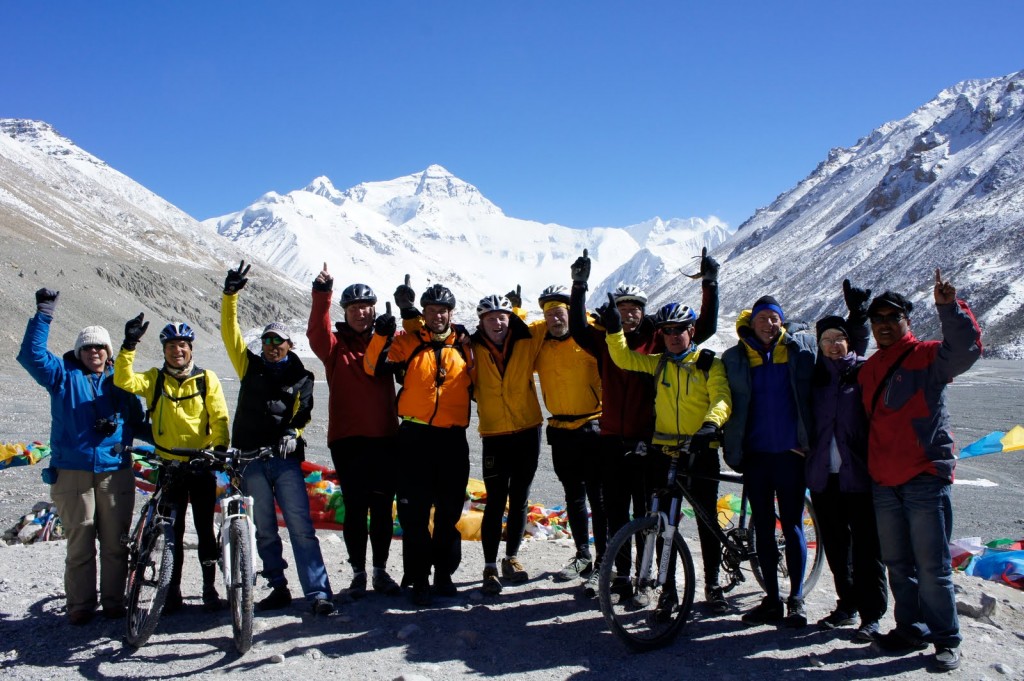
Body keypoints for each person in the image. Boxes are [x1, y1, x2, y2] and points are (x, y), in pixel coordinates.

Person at [569, 247, 719, 599]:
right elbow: (577, 329)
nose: (628, 315)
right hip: (610, 439)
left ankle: (644, 577)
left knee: (646, 511)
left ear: (643, 312)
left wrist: (710, 284)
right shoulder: (607, 340)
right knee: (616, 510)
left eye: (634, 309)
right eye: (622, 310)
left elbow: (703, 328)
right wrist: (579, 286)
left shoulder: (657, 341)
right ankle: (621, 575)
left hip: (649, 441)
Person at [858, 270, 981, 672]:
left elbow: (965, 350)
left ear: (907, 322)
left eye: (893, 319)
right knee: (897, 563)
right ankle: (910, 627)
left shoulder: (927, 356)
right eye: (878, 321)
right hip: (883, 480)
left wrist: (949, 308)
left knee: (932, 567)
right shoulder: (870, 368)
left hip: (924, 476)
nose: (885, 326)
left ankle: (947, 639)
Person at [17, 288, 144, 625]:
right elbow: (31, 356)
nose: (94, 352)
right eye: (88, 347)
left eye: (100, 347)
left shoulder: (121, 381)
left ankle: (115, 601)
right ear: (79, 351)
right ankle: (81, 605)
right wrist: (44, 314)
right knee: (80, 541)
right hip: (72, 472)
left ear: (109, 351)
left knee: (117, 543)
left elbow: (142, 422)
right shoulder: (61, 376)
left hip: (115, 470)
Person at [603, 297, 732, 613]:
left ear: (691, 331)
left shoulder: (709, 363)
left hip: (700, 453)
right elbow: (622, 358)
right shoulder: (658, 362)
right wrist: (614, 330)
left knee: (706, 521)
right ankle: (668, 590)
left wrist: (711, 424)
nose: (674, 336)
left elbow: (721, 397)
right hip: (664, 453)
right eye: (667, 331)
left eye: (680, 330)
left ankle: (713, 586)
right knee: (663, 523)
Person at [221, 261, 334, 615]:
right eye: (267, 340)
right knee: (265, 529)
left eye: (279, 341)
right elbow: (230, 334)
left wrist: (292, 431)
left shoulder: (303, 375)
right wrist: (230, 297)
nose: (272, 346)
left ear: (289, 344)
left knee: (300, 526)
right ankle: (278, 586)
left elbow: (303, 412)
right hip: (251, 460)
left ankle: (318, 592)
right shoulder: (248, 366)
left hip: (284, 460)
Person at [364, 279, 474, 606]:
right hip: (414, 439)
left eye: (443, 310)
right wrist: (382, 335)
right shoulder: (407, 342)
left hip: (453, 439)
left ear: (451, 313)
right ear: (423, 314)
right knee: (414, 515)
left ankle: (443, 574)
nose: (438, 315)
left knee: (448, 512)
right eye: (432, 310)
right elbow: (373, 366)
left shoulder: (466, 346)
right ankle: (419, 578)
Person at [114, 313, 230, 613]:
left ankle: (209, 589)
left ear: (191, 349)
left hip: (201, 465)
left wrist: (219, 450)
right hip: (169, 466)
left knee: (205, 530)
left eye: (183, 345)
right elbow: (123, 379)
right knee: (171, 533)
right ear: (164, 350)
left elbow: (219, 417)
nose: (177, 351)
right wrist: (129, 344)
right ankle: (172, 591)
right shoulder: (154, 379)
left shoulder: (207, 379)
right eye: (171, 346)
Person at [306, 262, 401, 598]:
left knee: (381, 508)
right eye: (355, 307)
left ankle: (380, 572)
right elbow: (316, 332)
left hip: (386, 438)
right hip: (348, 441)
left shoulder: (388, 340)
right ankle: (359, 573)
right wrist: (322, 294)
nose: (362, 312)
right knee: (357, 509)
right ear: (344, 312)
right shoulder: (334, 346)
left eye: (366, 306)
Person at [721, 294, 816, 627]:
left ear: (781, 322)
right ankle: (772, 600)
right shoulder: (735, 358)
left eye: (774, 318)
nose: (768, 324)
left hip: (790, 456)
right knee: (762, 528)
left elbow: (838, 359)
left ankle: (797, 599)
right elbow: (723, 396)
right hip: (757, 456)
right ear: (751, 322)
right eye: (762, 318)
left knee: (790, 526)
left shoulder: (798, 352)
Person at [806, 280, 888, 641]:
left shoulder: (864, 373)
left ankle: (872, 614)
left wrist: (856, 317)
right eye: (827, 340)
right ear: (819, 345)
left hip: (860, 475)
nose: (834, 345)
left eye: (839, 339)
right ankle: (846, 604)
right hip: (825, 477)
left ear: (849, 341)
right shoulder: (815, 379)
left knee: (868, 547)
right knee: (837, 545)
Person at [470, 290, 548, 595]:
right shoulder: (471, 345)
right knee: (495, 499)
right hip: (495, 434)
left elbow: (561, 319)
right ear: (482, 322)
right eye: (491, 318)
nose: (497, 322)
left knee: (520, 498)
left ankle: (511, 559)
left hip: (528, 430)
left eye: (502, 316)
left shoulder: (528, 338)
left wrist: (519, 308)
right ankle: (490, 566)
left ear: (510, 318)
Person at [533, 284, 606, 586]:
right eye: (549, 315)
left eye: (559, 313)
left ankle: (604, 559)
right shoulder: (542, 347)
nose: (555, 319)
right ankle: (582, 555)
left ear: (570, 312)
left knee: (598, 498)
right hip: (560, 430)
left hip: (592, 426)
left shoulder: (588, 339)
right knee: (573, 498)